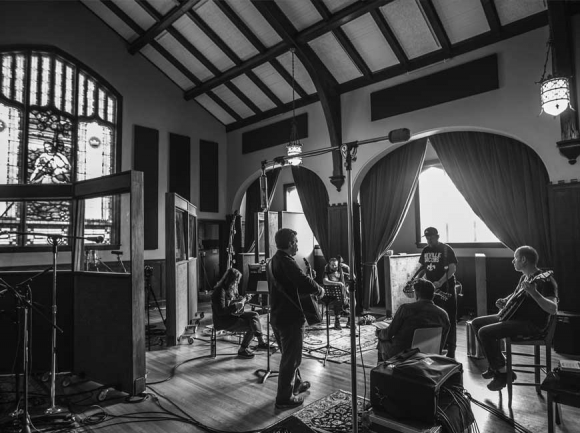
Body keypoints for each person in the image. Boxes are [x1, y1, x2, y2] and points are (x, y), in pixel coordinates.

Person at [471, 246, 558, 391]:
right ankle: (498, 366)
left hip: (532, 325)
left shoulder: (546, 281)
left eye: (515, 258)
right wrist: (505, 300)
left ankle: (503, 373)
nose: (513, 261)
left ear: (523, 260)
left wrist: (535, 293)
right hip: (514, 319)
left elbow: (553, 308)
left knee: (484, 332)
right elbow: (516, 295)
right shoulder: (524, 277)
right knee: (476, 323)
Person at [269, 228, 325, 409]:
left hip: (277, 315)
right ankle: (284, 399)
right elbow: (302, 281)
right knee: (291, 359)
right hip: (290, 318)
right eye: (296, 242)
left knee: (289, 355)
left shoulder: (273, 260)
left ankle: (296, 385)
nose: (297, 245)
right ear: (290, 243)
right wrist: (319, 289)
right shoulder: (286, 261)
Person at [375, 278, 450, 363]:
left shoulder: (405, 309)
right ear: (433, 295)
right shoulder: (443, 315)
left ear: (417, 294)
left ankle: (382, 372)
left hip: (403, 353)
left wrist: (379, 333)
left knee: (382, 339)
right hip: (429, 355)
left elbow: (388, 334)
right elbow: (442, 341)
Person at [413, 227, 458, 358]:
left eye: (431, 237)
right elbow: (423, 267)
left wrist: (440, 281)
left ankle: (451, 349)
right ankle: (436, 346)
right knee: (432, 317)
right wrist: (417, 279)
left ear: (437, 236)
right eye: (427, 237)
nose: (429, 240)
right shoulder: (426, 250)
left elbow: (452, 268)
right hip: (430, 290)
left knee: (449, 317)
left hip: (446, 288)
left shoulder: (446, 249)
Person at [211, 267, 271, 359]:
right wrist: (236, 306)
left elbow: (234, 302)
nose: (237, 283)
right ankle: (244, 349)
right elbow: (221, 311)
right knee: (252, 325)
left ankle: (260, 342)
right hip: (224, 321)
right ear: (230, 280)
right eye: (236, 281)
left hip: (231, 316)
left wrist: (244, 299)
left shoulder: (230, 289)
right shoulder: (220, 291)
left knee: (254, 315)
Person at [323, 257, 350, 330]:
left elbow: (353, 276)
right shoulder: (327, 273)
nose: (334, 267)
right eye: (332, 265)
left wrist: (347, 267)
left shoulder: (340, 272)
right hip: (333, 294)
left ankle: (350, 321)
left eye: (336, 265)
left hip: (343, 293)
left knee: (352, 301)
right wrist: (338, 283)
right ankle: (337, 322)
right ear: (329, 265)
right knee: (338, 301)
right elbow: (325, 281)